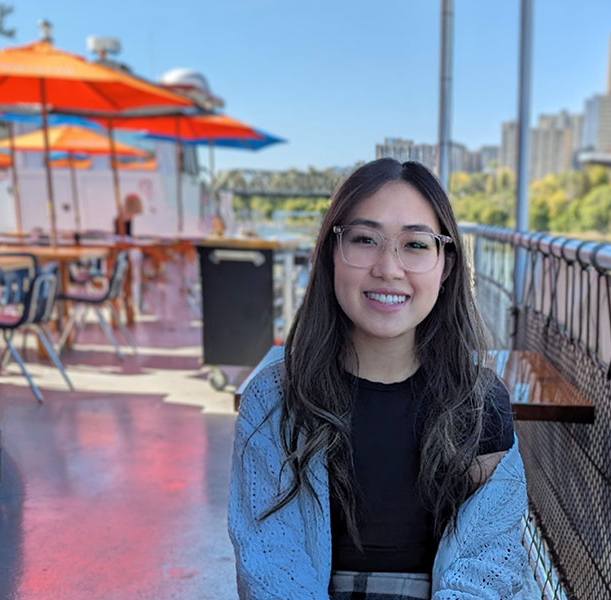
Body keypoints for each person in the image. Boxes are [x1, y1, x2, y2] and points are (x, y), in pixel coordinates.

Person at [228, 159, 539, 600]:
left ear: (445, 265)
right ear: (330, 255)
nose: (389, 268)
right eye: (365, 239)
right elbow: (270, 567)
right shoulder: (274, 401)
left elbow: (490, 559)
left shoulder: (477, 401)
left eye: (415, 244)